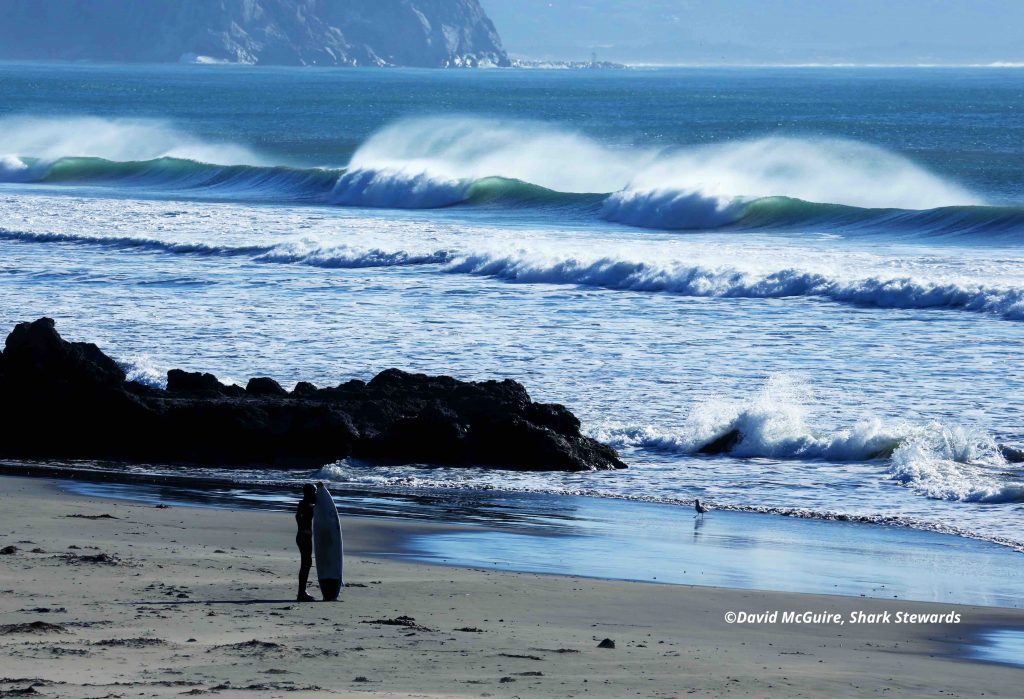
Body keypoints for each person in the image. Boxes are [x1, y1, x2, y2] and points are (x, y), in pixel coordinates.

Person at [295, 483, 317, 602]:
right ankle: (301, 593)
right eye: (313, 491)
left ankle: (302, 592)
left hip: (304, 537)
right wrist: (304, 529)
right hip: (303, 537)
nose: (315, 494)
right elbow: (298, 517)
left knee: (306, 563)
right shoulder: (305, 504)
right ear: (307, 493)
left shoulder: (306, 503)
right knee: (306, 563)